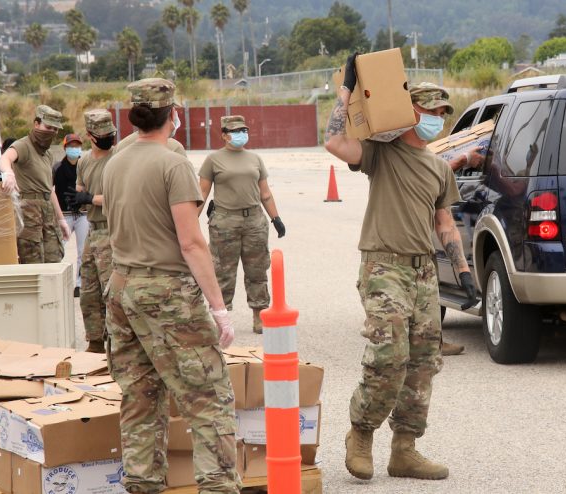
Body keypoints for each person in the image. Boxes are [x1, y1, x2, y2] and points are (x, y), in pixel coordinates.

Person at [324, 56, 482, 482]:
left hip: (424, 272)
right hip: (383, 265)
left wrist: (464, 273)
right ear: (411, 111)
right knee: (387, 357)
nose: (436, 119)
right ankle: (360, 433)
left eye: (441, 113)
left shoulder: (437, 167)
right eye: (429, 112)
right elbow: (335, 143)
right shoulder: (382, 154)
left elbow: (444, 222)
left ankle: (404, 449)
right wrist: (346, 91)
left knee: (423, 362)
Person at [102, 78, 240, 493]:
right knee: (208, 397)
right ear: (172, 114)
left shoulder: (116, 162)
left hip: (122, 288)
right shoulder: (172, 163)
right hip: (165, 292)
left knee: (141, 397)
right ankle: (218, 486)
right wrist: (219, 307)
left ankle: (143, 484)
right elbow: (191, 241)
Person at [198, 115, 285, 334]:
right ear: (224, 135)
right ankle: (221, 318)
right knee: (223, 271)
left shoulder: (254, 159)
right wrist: (191, 221)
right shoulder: (213, 159)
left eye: (243, 130)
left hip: (254, 220)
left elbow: (265, 194)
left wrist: (276, 219)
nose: (240, 135)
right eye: (235, 131)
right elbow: (202, 193)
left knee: (257, 269)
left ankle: (259, 315)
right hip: (225, 221)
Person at [65, 110, 116, 354]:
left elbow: (122, 197)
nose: (107, 138)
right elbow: (80, 189)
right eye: (102, 134)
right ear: (90, 136)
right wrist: (77, 199)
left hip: (113, 230)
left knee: (112, 292)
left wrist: (91, 198)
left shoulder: (120, 158)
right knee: (89, 292)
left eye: (110, 133)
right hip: (92, 231)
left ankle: (118, 343)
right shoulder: (84, 161)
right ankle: (95, 341)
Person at [0, 105, 70, 262]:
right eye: (48, 127)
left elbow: (49, 189)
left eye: (55, 129)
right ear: (36, 124)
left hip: (48, 213)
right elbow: (5, 158)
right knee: (33, 260)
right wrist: (8, 173)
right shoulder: (23, 145)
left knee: (54, 260)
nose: (51, 132)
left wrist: (61, 219)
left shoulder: (48, 154)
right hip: (29, 213)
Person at [53, 133, 88, 297]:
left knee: (83, 251)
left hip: (83, 214)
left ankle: (79, 285)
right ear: (65, 147)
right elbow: (49, 188)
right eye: (71, 146)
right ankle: (55, 281)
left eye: (77, 145)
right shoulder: (57, 168)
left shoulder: (85, 165)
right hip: (64, 214)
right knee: (59, 248)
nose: (74, 148)